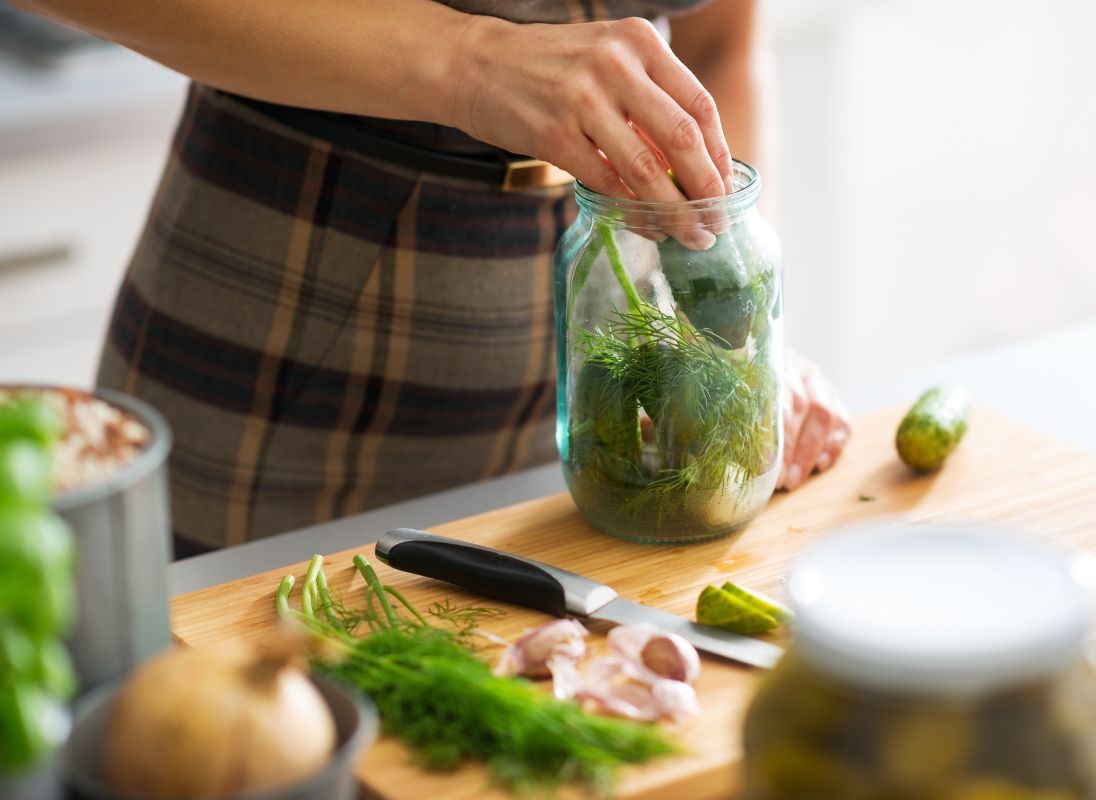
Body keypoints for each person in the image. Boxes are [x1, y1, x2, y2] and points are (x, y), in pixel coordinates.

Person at [18, 0, 851, 555]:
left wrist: (741, 355)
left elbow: (719, 42)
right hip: (281, 375)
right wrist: (471, 62)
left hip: (596, 420)